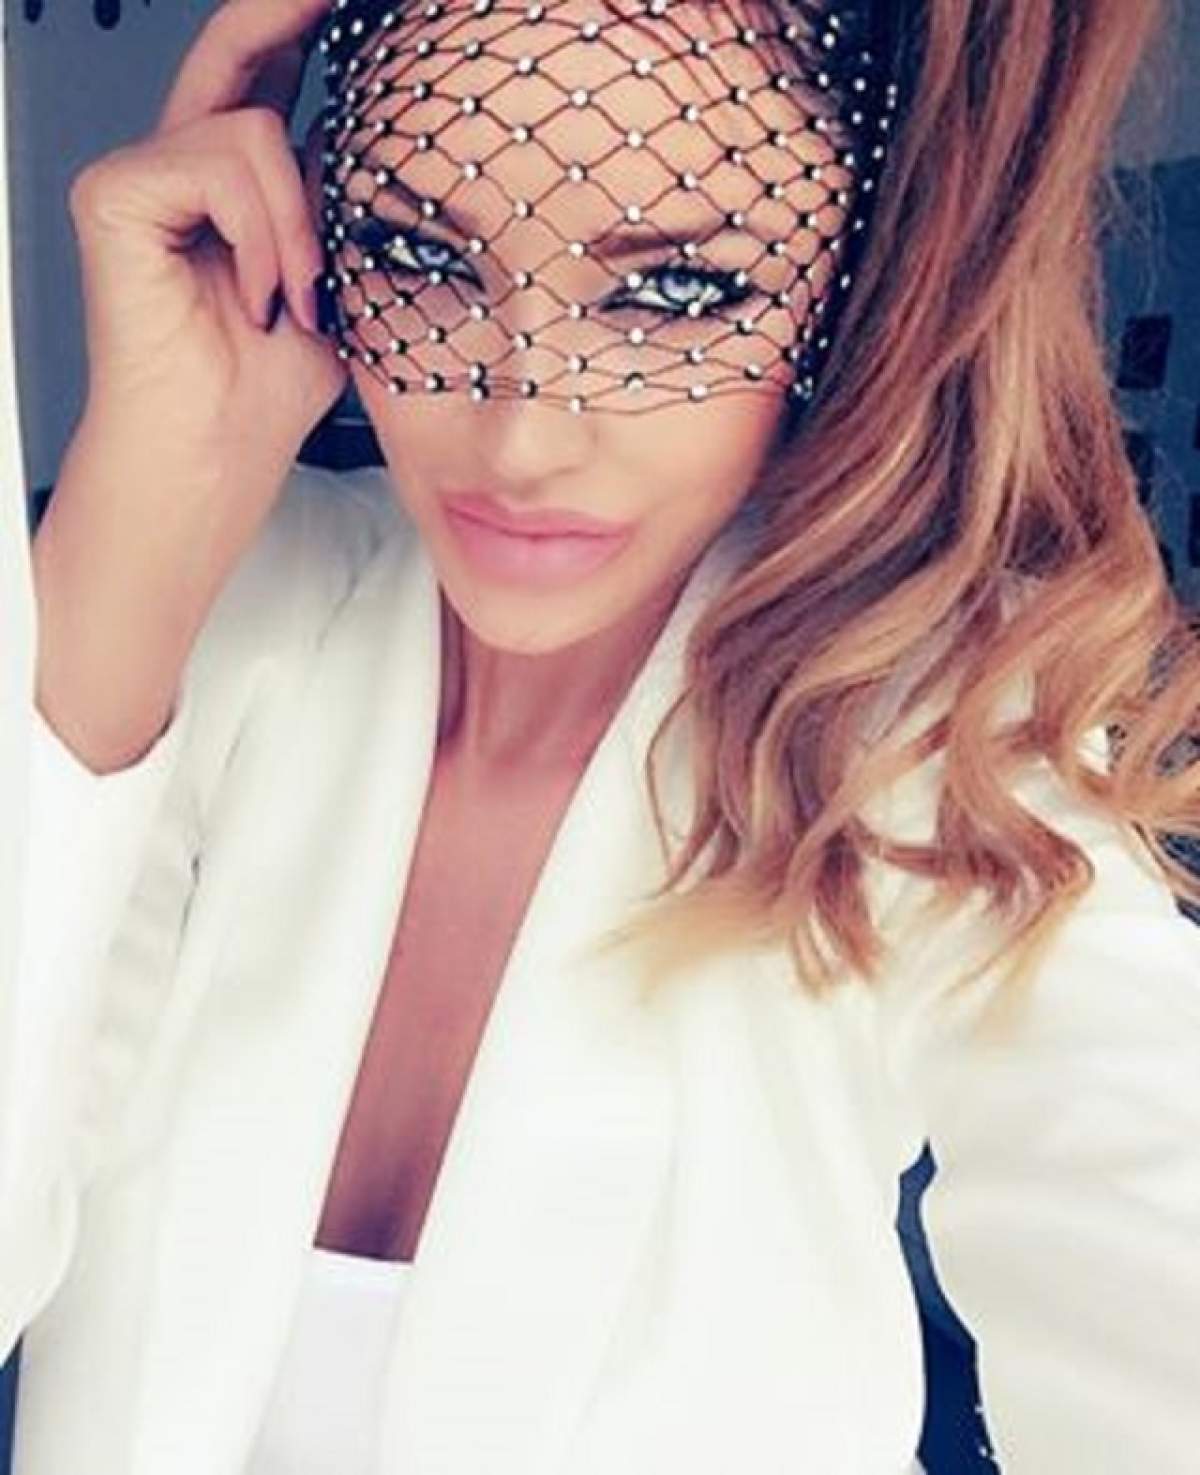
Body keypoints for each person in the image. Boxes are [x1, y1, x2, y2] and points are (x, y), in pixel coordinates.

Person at [4, 0, 1200, 1469]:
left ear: (843, 282)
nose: (525, 433)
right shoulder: (224, 626)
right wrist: (134, 519)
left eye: (676, 291)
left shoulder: (925, 734)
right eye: (422, 258)